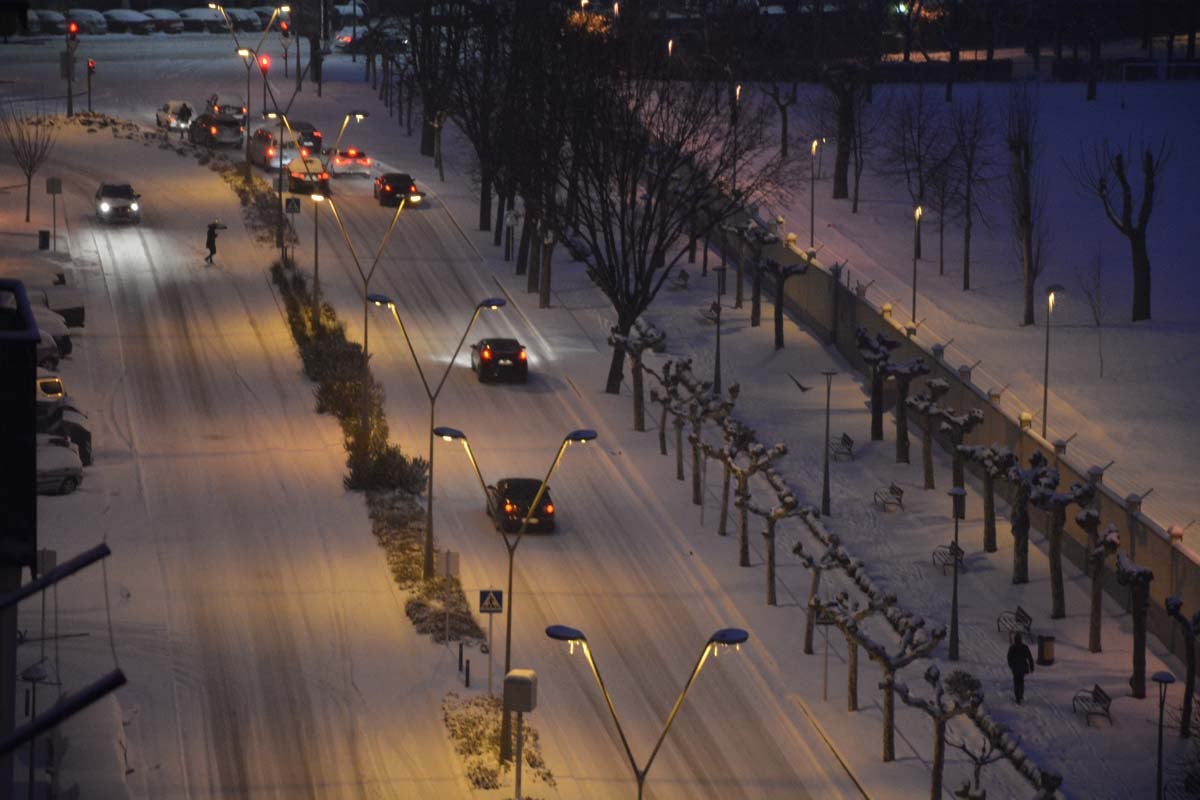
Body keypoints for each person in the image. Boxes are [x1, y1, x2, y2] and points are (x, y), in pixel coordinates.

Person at [1007, 633, 1036, 704]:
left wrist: (1011, 665)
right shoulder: (1024, 647)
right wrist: (1031, 666)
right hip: (1023, 668)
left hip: (1015, 668)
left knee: (1016, 682)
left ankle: (1017, 697)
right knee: (1021, 681)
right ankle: (1021, 695)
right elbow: (1030, 657)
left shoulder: (1012, 648)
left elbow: (1009, 658)